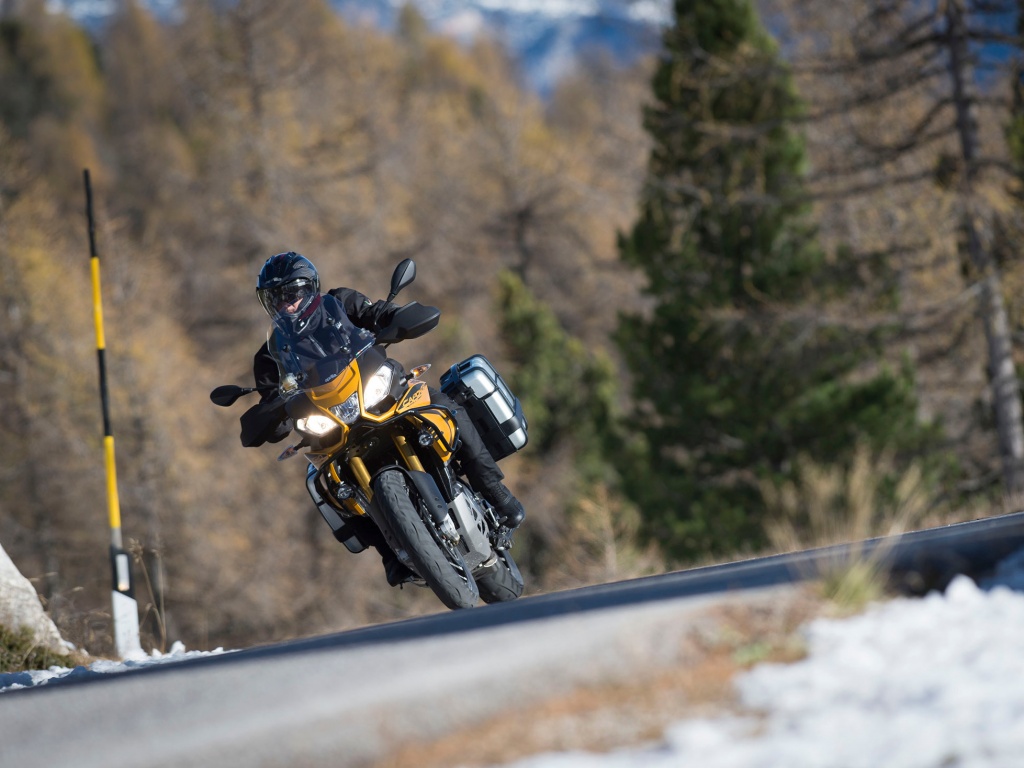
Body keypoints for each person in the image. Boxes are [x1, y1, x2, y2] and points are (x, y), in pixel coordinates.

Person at [243, 251, 525, 586]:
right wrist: (271, 416)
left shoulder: (340, 303)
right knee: (322, 481)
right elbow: (271, 402)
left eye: (292, 294)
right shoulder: (269, 356)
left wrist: (396, 318)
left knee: (443, 405)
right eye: (276, 298)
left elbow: (378, 314)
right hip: (333, 428)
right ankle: (390, 555)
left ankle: (496, 493)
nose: (286, 304)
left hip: (384, 394)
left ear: (310, 289)